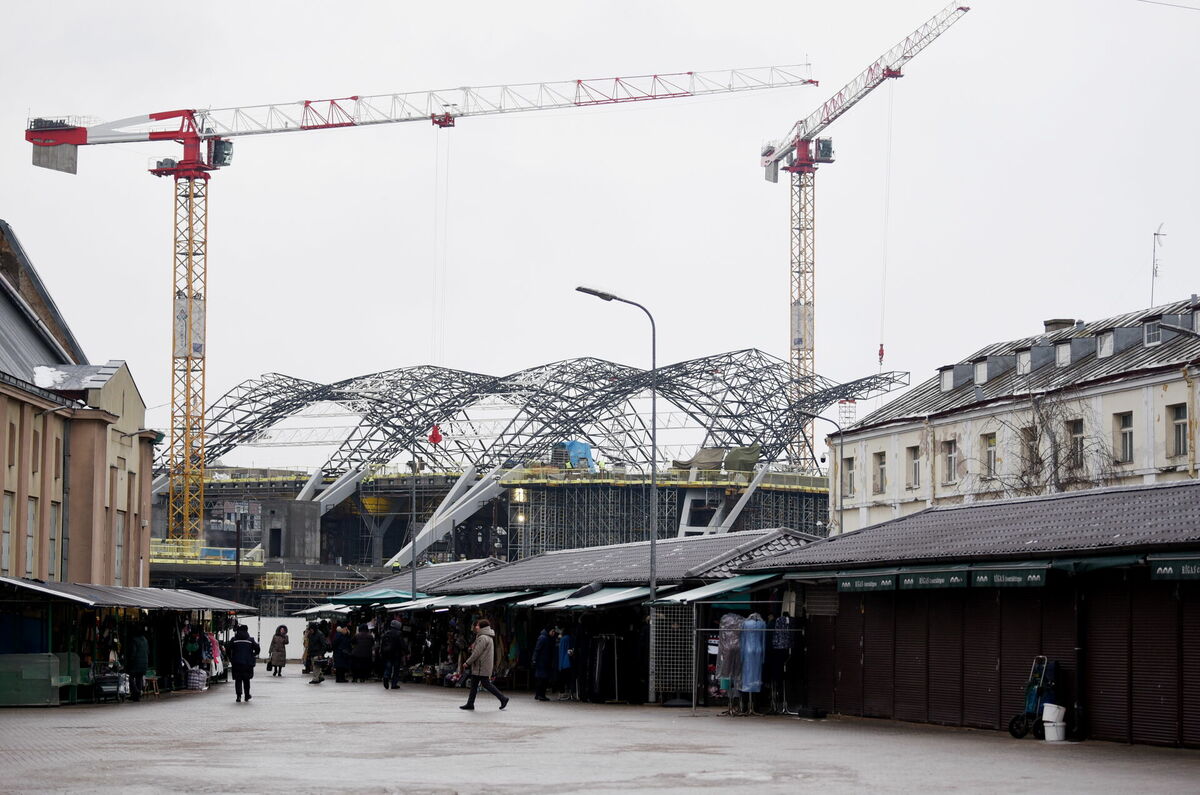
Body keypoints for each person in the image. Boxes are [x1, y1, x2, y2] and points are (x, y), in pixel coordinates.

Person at [459, 619, 508, 711]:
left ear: (482, 627)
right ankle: (470, 703)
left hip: (481, 666)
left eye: (477, 625)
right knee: (474, 685)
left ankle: (503, 698)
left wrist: (467, 662)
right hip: (481, 666)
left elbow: (476, 653)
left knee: (486, 684)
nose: (476, 627)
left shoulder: (482, 638)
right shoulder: (487, 637)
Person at [228, 625, 260, 703]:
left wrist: (231, 658)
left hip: (236, 663)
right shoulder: (250, 640)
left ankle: (238, 696)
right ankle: (246, 696)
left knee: (238, 680)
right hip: (248, 663)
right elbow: (258, 648)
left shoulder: (234, 640)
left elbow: (228, 649)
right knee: (246, 680)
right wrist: (253, 655)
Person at [532, 626, 557, 701]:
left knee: (541, 679)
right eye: (552, 631)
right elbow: (537, 649)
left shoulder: (547, 637)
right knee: (542, 679)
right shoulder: (543, 638)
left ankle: (538, 694)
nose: (553, 633)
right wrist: (534, 660)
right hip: (542, 662)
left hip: (544, 662)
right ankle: (541, 695)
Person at [379, 619, 406, 690]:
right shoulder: (399, 633)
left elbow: (382, 644)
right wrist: (407, 652)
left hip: (387, 654)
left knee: (388, 667)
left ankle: (385, 677)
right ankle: (394, 684)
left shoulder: (386, 633)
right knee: (396, 669)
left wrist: (381, 652)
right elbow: (402, 644)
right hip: (396, 654)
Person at [127, 627, 149, 702]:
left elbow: (133, 652)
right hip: (144, 663)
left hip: (136, 663)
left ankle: (137, 691)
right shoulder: (145, 640)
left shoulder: (134, 640)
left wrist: (130, 661)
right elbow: (148, 651)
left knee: (130, 678)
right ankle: (136, 697)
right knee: (139, 678)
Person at [556, 625, 575, 701]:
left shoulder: (563, 639)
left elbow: (561, 652)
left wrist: (559, 665)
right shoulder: (570, 638)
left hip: (564, 662)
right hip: (569, 661)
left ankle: (562, 693)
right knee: (569, 679)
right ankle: (571, 693)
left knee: (562, 679)